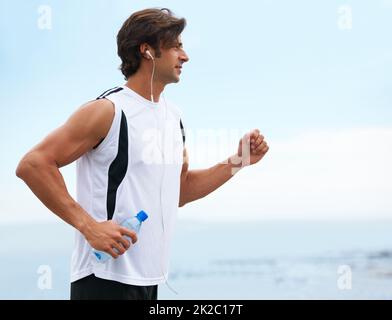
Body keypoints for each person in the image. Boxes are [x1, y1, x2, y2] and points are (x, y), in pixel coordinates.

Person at [15, 8, 269, 300]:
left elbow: (179, 191)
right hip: (103, 278)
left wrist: (238, 161)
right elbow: (33, 164)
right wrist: (89, 226)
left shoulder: (174, 118)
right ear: (147, 51)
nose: (184, 56)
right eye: (176, 47)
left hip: (149, 281)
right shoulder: (107, 111)